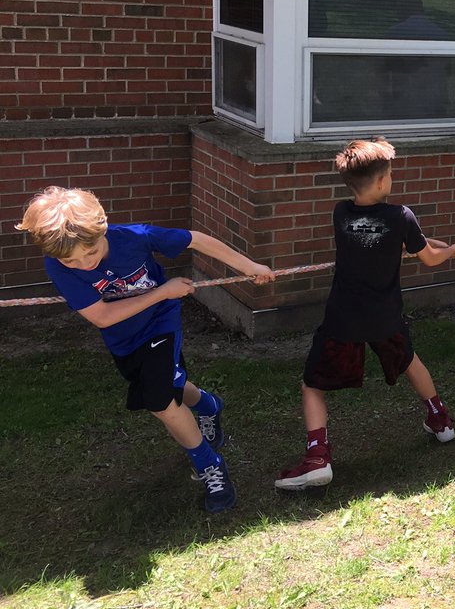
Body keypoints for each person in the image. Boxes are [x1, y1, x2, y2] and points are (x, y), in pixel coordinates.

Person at [16, 187, 275, 513]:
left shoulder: (135, 238)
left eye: (91, 252)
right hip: (123, 338)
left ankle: (210, 464)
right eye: (71, 260)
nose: (83, 264)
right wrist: (163, 291)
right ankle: (209, 404)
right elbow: (103, 316)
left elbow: (195, 239)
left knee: (160, 401)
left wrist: (247, 265)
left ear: (103, 227)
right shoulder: (58, 264)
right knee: (172, 385)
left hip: (160, 324)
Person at [275, 138, 455, 491]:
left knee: (312, 385)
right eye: (390, 173)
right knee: (409, 361)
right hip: (385, 317)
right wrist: (453, 250)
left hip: (343, 317)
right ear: (382, 182)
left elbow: (402, 241)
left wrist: (429, 243)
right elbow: (428, 257)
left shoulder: (340, 213)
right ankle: (440, 420)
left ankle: (318, 456)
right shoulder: (401, 217)